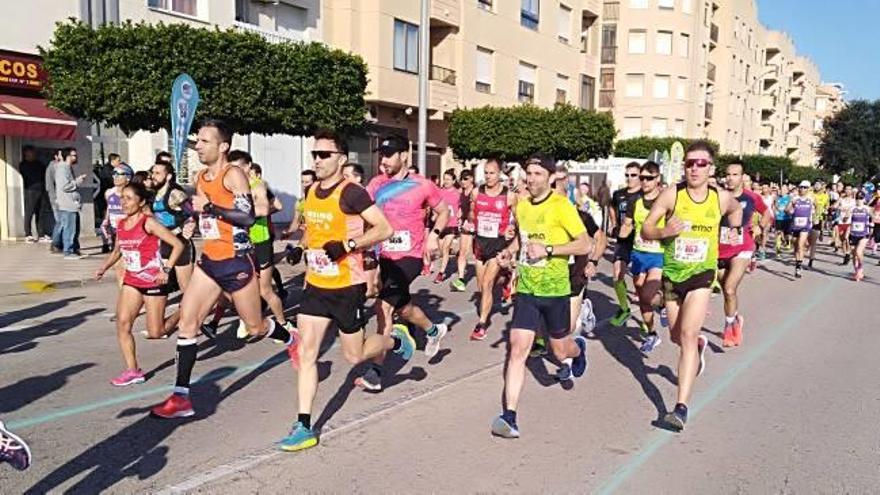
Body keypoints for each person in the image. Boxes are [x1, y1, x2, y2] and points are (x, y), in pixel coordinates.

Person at [149, 119, 297, 419]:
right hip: (209, 262)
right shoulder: (201, 176)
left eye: (205, 142)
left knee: (255, 327)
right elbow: (203, 213)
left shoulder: (234, 176)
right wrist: (186, 210)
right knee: (187, 324)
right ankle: (181, 398)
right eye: (198, 141)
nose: (199, 146)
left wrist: (209, 208)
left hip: (236, 262)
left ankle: (293, 339)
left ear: (223, 146)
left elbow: (246, 218)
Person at [277, 130, 397, 452]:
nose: (317, 159)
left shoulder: (353, 193)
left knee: (353, 355)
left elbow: (385, 228)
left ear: (341, 159)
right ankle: (304, 425)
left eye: (324, 154)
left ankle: (395, 340)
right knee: (306, 354)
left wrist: (347, 245)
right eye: (315, 154)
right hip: (316, 285)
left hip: (347, 286)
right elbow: (314, 232)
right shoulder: (312, 191)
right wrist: (299, 248)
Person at [640, 141, 742, 431]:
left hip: (701, 275)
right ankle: (698, 346)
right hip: (673, 276)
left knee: (685, 334)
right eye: (690, 163)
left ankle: (680, 408)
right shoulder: (672, 194)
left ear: (711, 168)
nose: (695, 168)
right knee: (676, 336)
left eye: (701, 163)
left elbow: (737, 210)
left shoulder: (720, 198)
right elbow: (646, 228)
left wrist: (734, 231)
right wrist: (663, 231)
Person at [491, 153, 591, 439]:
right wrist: (510, 252)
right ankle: (509, 416)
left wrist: (548, 250)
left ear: (550, 177)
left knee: (559, 351)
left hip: (556, 291)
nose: (531, 179)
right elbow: (522, 241)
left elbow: (583, 244)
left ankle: (578, 349)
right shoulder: (522, 207)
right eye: (528, 173)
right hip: (527, 290)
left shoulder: (562, 206)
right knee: (518, 348)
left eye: (537, 174)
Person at [359, 135, 450, 391]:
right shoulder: (376, 184)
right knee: (404, 309)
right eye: (382, 155)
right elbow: (364, 216)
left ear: (404, 156)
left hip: (410, 257)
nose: (384, 161)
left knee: (383, 307)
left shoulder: (422, 185)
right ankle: (433, 331)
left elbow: (444, 211)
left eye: (389, 155)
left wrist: (435, 236)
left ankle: (377, 372)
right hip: (384, 255)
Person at [96, 181, 184, 386]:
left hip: (154, 280)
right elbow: (118, 251)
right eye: (122, 198)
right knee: (122, 323)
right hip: (132, 280)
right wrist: (104, 267)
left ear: (141, 201)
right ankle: (133, 370)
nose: (123, 203)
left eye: (128, 198)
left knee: (157, 332)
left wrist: (167, 269)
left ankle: (184, 309)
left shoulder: (149, 222)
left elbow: (177, 244)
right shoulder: (121, 224)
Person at [227, 150, 296, 339]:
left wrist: (233, 213)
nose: (235, 171)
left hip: (260, 240)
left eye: (239, 167)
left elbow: (267, 207)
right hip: (241, 243)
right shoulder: (233, 188)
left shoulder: (258, 186)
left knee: (264, 289)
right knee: (242, 285)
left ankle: (284, 323)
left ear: (248, 166)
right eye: (231, 168)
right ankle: (248, 320)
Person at [717, 162, 771, 347]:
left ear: (742, 177)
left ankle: (729, 327)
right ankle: (735, 317)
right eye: (728, 174)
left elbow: (767, 213)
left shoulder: (751, 197)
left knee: (730, 288)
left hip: (743, 247)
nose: (730, 178)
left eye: (735, 174)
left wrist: (759, 226)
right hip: (720, 249)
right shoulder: (717, 196)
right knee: (725, 290)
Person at [618, 161, 665, 353]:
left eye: (649, 178)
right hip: (638, 253)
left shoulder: (665, 201)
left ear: (657, 179)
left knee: (648, 294)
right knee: (642, 298)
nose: (644, 181)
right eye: (642, 177)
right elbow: (628, 224)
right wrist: (622, 231)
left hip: (658, 255)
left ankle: (663, 304)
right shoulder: (634, 201)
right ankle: (652, 333)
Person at [468, 157, 517, 341]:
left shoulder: (509, 196)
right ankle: (505, 278)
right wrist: (470, 222)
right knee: (482, 287)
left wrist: (512, 230)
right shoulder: (476, 192)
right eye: (486, 173)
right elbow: (472, 212)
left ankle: (481, 324)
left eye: (492, 173)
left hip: (498, 243)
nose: (488, 177)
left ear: (500, 174)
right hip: (480, 243)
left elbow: (518, 220)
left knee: (488, 284)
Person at [149, 159, 197, 335]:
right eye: (153, 173)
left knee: (187, 288)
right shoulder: (154, 194)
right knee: (162, 281)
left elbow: (191, 213)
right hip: (163, 244)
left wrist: (187, 229)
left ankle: (192, 323)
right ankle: (159, 322)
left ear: (168, 176)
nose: (153, 176)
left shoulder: (175, 193)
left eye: (157, 173)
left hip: (180, 244)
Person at [609, 162, 643, 327]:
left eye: (633, 175)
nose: (630, 178)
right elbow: (612, 206)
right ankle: (624, 309)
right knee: (617, 274)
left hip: (640, 241)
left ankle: (647, 315)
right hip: (623, 239)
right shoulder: (619, 194)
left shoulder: (645, 194)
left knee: (639, 283)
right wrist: (615, 224)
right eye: (627, 175)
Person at [54, 147, 86, 259]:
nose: (75, 157)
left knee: (74, 229)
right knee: (69, 229)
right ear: (67, 156)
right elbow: (65, 186)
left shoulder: (67, 168)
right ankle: (68, 251)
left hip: (72, 204)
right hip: (67, 204)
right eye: (73, 155)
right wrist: (77, 181)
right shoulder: (63, 168)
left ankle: (75, 249)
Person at [20, 145, 52, 242]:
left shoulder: (39, 164)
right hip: (30, 190)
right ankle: (28, 234)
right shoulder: (23, 165)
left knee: (41, 213)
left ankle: (41, 234)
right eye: (31, 152)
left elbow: (44, 175)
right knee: (29, 212)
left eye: (34, 152)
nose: (34, 154)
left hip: (41, 190)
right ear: (26, 153)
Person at [434, 169, 461, 283]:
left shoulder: (457, 193)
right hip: (441, 224)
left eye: (448, 179)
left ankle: (441, 273)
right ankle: (452, 253)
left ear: (454, 180)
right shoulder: (439, 191)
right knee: (441, 250)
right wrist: (434, 214)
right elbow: (435, 205)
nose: (446, 181)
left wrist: (460, 214)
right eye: (444, 179)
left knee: (445, 249)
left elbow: (461, 207)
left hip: (452, 224)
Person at [451, 169, 475, 291]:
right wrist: (459, 216)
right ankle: (461, 279)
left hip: (477, 224)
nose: (463, 181)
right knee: (462, 251)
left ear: (471, 179)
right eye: (462, 179)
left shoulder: (475, 192)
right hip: (466, 224)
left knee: (481, 253)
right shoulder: (462, 192)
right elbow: (461, 207)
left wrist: (471, 221)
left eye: (466, 179)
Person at [787, 181, 815, 279]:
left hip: (805, 226)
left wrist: (814, 219)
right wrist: (791, 206)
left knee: (800, 244)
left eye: (805, 187)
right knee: (795, 245)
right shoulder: (794, 198)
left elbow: (815, 210)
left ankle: (798, 267)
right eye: (801, 187)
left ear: (808, 189)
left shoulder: (811, 199)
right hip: (795, 225)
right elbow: (787, 210)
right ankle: (797, 261)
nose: (802, 189)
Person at [848, 192, 872, 281]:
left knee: (858, 252)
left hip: (864, 234)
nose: (859, 200)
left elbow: (874, 218)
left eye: (861, 198)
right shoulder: (852, 208)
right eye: (857, 198)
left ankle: (860, 268)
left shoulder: (867, 209)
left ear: (864, 199)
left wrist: (872, 226)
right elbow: (847, 218)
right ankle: (857, 271)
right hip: (853, 233)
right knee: (854, 254)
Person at [45, 149, 64, 252]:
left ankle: (58, 243)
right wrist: (54, 198)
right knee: (60, 221)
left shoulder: (63, 166)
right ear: (56, 156)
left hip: (64, 199)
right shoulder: (52, 167)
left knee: (62, 221)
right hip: (57, 199)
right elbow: (49, 185)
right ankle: (55, 243)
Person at [807, 181, 830, 268]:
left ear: (822, 187)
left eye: (818, 185)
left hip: (818, 219)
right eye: (815, 184)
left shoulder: (825, 196)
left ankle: (811, 259)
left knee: (813, 241)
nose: (816, 186)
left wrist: (825, 210)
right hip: (808, 218)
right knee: (807, 240)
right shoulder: (810, 194)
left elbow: (827, 206)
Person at [773, 185, 793, 254]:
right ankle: (778, 249)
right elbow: (775, 206)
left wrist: (786, 209)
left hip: (787, 218)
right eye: (781, 189)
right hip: (779, 218)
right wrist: (776, 210)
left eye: (784, 189)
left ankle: (787, 242)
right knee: (778, 233)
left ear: (787, 191)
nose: (782, 191)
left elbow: (789, 207)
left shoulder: (789, 198)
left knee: (787, 234)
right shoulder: (777, 198)